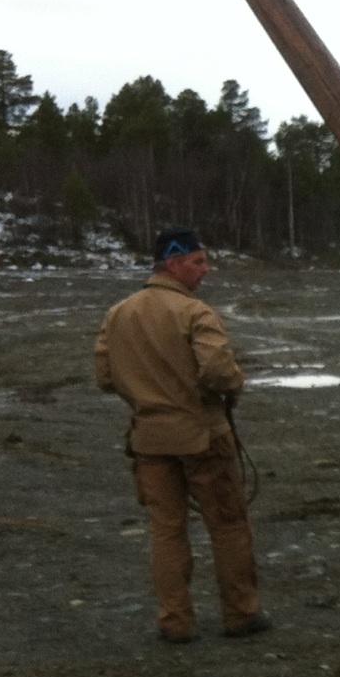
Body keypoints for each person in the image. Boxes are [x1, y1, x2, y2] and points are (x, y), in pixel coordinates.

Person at [94, 227, 269, 643]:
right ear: (173, 264)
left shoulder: (118, 314)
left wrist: (145, 397)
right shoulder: (196, 313)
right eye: (198, 262)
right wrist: (232, 385)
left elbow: (104, 376)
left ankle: (174, 621)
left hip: (150, 441)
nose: (206, 271)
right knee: (227, 526)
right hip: (203, 438)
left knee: (166, 529)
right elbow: (219, 371)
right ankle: (240, 614)